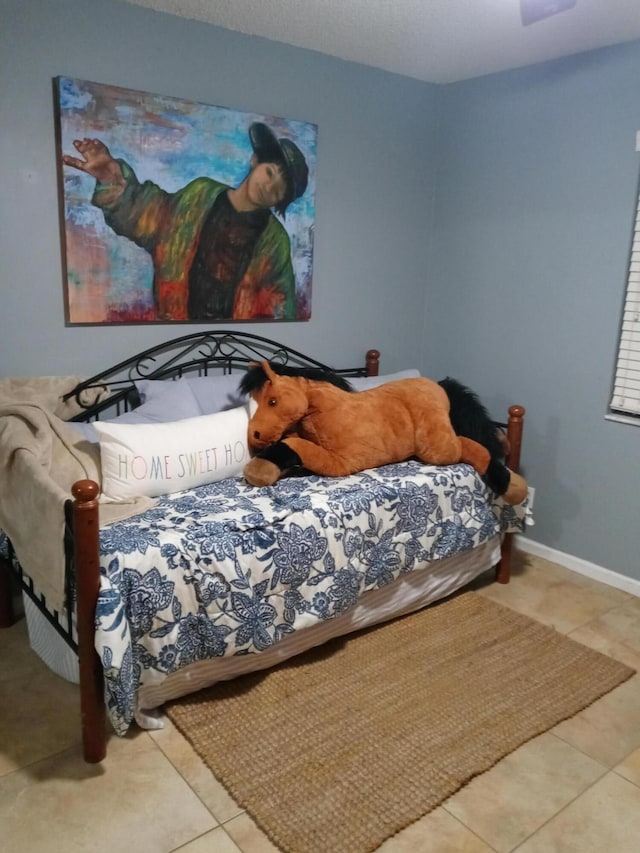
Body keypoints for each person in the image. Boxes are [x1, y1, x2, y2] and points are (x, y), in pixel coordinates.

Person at [62, 123, 309, 321]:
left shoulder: (275, 241)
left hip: (235, 350)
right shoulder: (199, 195)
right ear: (256, 161)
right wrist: (113, 180)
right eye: (270, 173)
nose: (269, 186)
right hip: (174, 335)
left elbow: (280, 308)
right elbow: (151, 217)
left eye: (280, 189)